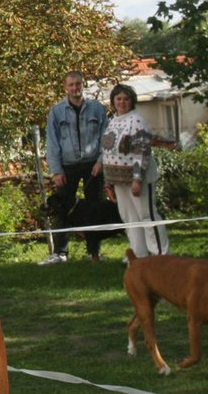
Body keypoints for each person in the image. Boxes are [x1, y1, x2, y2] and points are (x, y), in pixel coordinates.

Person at [41, 70, 109, 264]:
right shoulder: (57, 111)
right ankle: (60, 253)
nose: (75, 88)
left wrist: (100, 161)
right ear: (65, 87)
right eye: (71, 85)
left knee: (95, 209)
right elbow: (52, 143)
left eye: (78, 84)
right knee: (61, 209)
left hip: (92, 165)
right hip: (67, 166)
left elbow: (107, 138)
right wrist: (56, 171)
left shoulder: (97, 109)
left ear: (83, 84)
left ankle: (93, 252)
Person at [102, 83, 169, 257]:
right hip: (118, 182)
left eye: (126, 99)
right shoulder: (112, 121)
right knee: (129, 219)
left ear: (132, 101)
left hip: (138, 179)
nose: (122, 102)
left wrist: (137, 179)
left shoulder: (137, 121)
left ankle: (160, 256)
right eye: (118, 99)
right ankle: (139, 257)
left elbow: (142, 152)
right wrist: (108, 182)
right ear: (113, 101)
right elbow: (108, 152)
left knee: (147, 216)